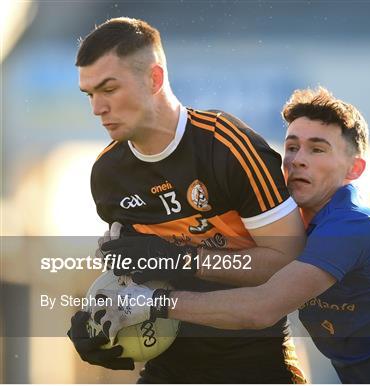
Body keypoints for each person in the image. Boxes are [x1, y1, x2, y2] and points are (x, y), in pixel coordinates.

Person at [91, 87, 370, 384]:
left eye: (317, 149)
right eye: (292, 146)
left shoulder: (353, 225)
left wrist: (156, 303)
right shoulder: (285, 231)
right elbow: (219, 264)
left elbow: (260, 309)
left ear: (354, 169)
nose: (297, 160)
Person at [68, 17, 308, 384]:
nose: (97, 108)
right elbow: (134, 279)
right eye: (89, 94)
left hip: (256, 367)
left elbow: (288, 265)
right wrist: (95, 321)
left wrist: (184, 260)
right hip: (168, 369)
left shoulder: (227, 146)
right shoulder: (107, 174)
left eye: (109, 89)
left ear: (154, 79)